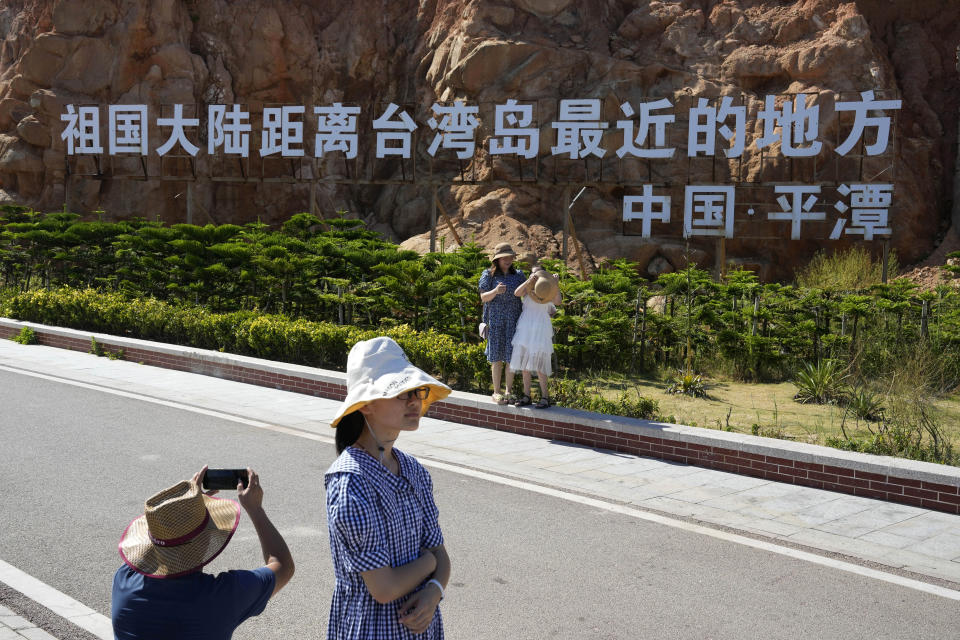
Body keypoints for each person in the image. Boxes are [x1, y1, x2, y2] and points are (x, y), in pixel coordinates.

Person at [325, 336, 452, 640]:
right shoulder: (350, 481)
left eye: (416, 391)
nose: (414, 401)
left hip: (422, 628)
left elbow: (441, 555)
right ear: (366, 404)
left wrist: (434, 592)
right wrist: (429, 563)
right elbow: (384, 588)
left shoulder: (413, 470)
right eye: (400, 392)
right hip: (370, 630)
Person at [112, 466, 294, 640]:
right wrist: (255, 509)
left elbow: (144, 558)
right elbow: (283, 565)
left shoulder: (124, 580)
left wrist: (181, 509)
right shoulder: (221, 597)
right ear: (206, 542)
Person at [478, 242, 526, 404]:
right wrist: (495, 291)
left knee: (511, 357)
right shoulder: (488, 275)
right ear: (496, 260)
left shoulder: (519, 275)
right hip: (496, 320)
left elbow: (528, 292)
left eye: (510, 257)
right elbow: (483, 298)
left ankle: (508, 391)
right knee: (496, 357)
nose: (507, 260)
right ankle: (497, 391)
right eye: (503, 257)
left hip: (514, 320)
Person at [510, 266, 562, 408]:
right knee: (524, 365)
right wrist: (528, 281)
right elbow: (516, 293)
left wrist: (555, 284)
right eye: (532, 273)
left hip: (540, 329)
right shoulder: (528, 288)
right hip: (525, 327)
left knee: (540, 364)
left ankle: (545, 397)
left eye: (537, 273)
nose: (534, 275)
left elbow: (558, 302)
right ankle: (527, 396)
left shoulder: (548, 289)